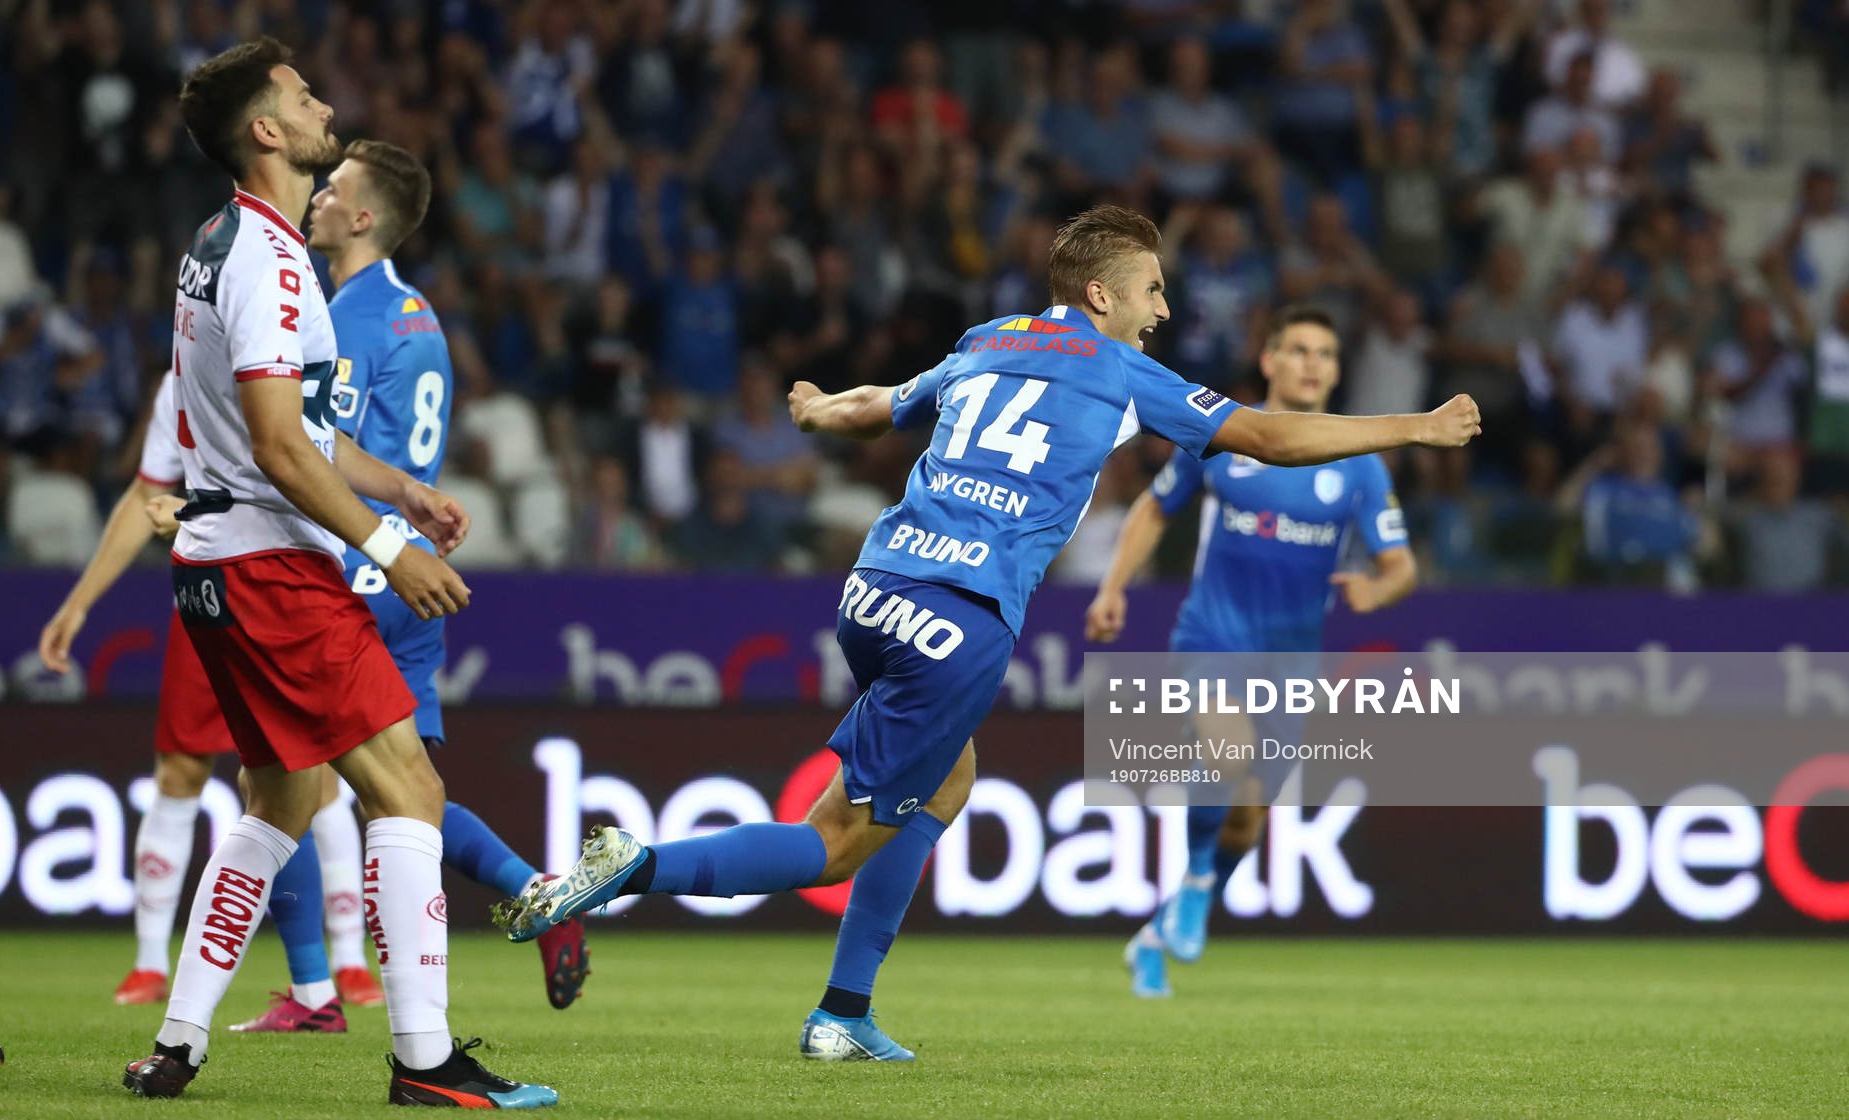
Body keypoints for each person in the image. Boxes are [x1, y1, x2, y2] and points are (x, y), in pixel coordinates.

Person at [495, 205, 1480, 1060]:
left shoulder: (988, 337)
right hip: (958, 619)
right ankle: (637, 867)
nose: (1163, 310)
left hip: (874, 588)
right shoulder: (1122, 369)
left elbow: (882, 406)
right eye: (1150, 290)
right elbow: (1269, 435)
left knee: (948, 778)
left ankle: (844, 1010)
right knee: (835, 842)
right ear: (1101, 294)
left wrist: (817, 409)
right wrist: (1417, 427)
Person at [120, 38, 551, 1108]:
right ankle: (425, 1060)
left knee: (275, 801)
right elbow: (278, 446)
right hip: (273, 564)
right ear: (266, 131)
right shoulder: (271, 265)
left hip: (213, 568)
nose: (325, 109)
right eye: (303, 97)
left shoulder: (225, 240)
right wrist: (389, 546)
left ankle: (175, 1043)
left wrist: (401, 491)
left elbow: (303, 426)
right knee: (409, 786)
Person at [216, 138, 589, 1032]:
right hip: (410, 575)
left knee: (273, 784)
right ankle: (538, 894)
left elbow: (314, 450)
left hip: (356, 571)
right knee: (409, 787)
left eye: (334, 189)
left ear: (366, 215)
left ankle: (315, 995)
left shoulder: (344, 317)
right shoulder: (421, 316)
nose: (318, 198)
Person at [1083, 305, 1420, 998]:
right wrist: (1114, 586)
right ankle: (1201, 883)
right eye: (1297, 349)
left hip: (1293, 661)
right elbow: (1153, 508)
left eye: (1324, 353)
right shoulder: (1223, 431)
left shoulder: (1356, 465)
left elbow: (1403, 567)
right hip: (1212, 638)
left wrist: (1376, 593)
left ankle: (1162, 923)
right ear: (1269, 360)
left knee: (1247, 815)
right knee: (1227, 754)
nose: (1310, 363)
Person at [37, 371, 240, 1009]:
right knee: (181, 766)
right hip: (208, 589)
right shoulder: (181, 379)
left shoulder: (289, 354)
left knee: (314, 776)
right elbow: (147, 490)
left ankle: (343, 966)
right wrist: (78, 603)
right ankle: (151, 960)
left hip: (292, 576)